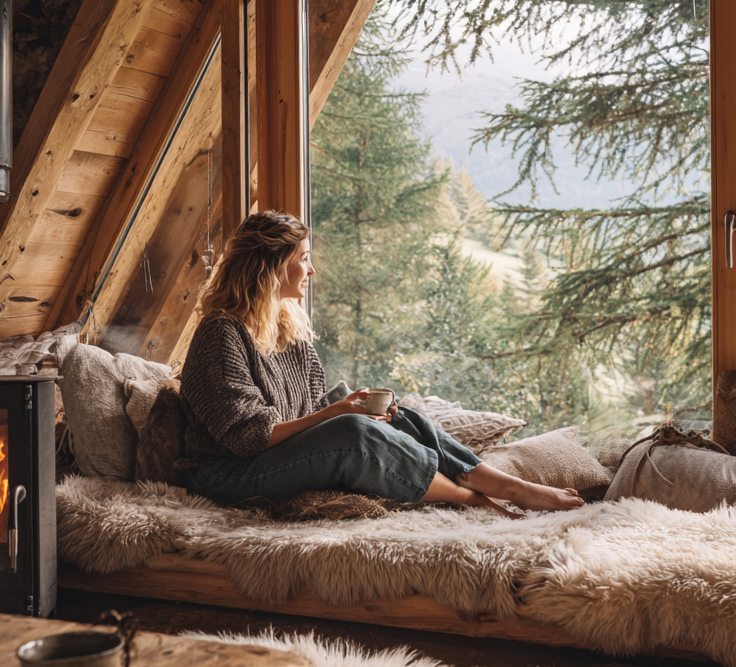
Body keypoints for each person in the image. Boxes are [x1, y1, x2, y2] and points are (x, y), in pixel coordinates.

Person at [180, 211, 584, 517]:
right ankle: (468, 497)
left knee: (399, 416)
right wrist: (340, 413)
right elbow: (248, 439)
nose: (312, 269)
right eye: (303, 258)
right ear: (268, 266)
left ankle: (509, 486)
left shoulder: (287, 327)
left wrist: (348, 406)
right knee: (354, 431)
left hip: (273, 457)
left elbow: (309, 409)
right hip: (227, 474)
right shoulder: (221, 334)